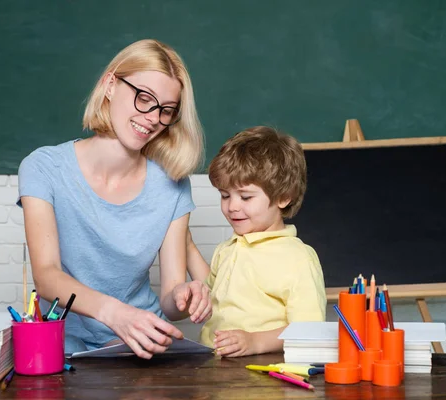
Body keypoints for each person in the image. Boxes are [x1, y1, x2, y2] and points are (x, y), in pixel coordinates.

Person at [18, 39, 212, 359]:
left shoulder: (173, 185)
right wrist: (117, 315)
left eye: (166, 110)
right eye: (144, 98)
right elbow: (47, 276)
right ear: (110, 85)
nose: (152, 118)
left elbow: (169, 298)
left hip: (139, 346)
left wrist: (183, 297)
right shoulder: (43, 167)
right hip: (62, 341)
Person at [186, 126, 326, 357]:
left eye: (246, 197)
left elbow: (308, 329)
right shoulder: (229, 247)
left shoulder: (298, 258)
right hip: (215, 369)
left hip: (263, 374)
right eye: (225, 195)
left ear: (283, 197)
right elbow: (214, 296)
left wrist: (255, 342)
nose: (232, 206)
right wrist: (187, 244)